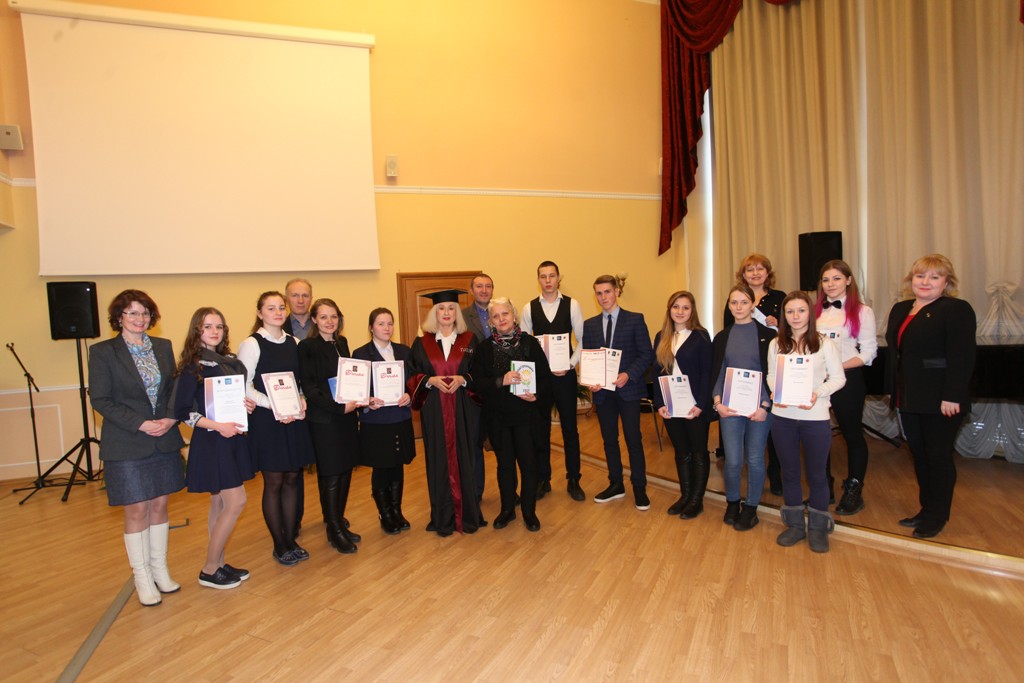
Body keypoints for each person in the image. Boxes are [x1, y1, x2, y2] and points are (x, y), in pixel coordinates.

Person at [88, 290, 185, 606]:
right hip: (127, 441)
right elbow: (100, 399)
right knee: (137, 509)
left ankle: (160, 569)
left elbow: (173, 390)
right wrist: (141, 423)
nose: (139, 319)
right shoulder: (103, 352)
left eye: (144, 313)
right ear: (119, 317)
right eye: (132, 313)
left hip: (164, 437)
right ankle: (142, 576)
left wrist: (170, 418)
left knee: (160, 506)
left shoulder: (163, 346)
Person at [885, 254, 976, 539]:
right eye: (920, 276)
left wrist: (953, 395)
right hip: (909, 397)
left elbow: (962, 356)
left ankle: (938, 516)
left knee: (938, 457)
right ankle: (926, 509)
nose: (925, 282)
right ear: (911, 280)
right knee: (920, 456)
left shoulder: (956, 309)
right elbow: (898, 354)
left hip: (941, 399)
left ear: (946, 282)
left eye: (934, 277)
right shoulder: (901, 309)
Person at [173, 307, 254, 589]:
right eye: (207, 326)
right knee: (236, 501)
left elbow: (232, 400)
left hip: (232, 438)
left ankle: (218, 562)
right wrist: (218, 426)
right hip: (212, 441)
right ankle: (209, 569)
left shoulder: (230, 362)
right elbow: (184, 412)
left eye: (219, 326)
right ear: (197, 331)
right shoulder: (191, 366)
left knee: (218, 502)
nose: (214, 331)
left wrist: (246, 405)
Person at [237, 291, 316, 565]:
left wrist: (302, 399)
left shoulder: (295, 342)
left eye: (281, 307)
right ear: (260, 313)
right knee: (274, 482)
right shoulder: (251, 344)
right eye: (270, 308)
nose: (278, 312)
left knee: (292, 478)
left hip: (293, 420)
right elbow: (244, 385)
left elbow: (300, 382)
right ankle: (279, 545)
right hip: (268, 422)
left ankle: (291, 539)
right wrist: (274, 406)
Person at [767, 291, 846, 552]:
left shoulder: (824, 344)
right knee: (789, 472)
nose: (796, 316)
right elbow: (770, 374)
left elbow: (839, 378)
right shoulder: (776, 344)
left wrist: (817, 393)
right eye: (790, 311)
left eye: (801, 310)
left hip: (815, 417)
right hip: (783, 418)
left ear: (810, 313)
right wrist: (775, 390)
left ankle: (818, 528)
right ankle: (795, 526)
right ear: (784, 315)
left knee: (817, 474)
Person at [408, 289, 485, 536]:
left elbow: (480, 373)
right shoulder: (422, 343)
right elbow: (412, 374)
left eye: (451, 308)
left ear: (457, 312)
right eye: (441, 308)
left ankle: (468, 514)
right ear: (434, 312)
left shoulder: (470, 340)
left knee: (466, 457)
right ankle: (442, 517)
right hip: (434, 409)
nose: (446, 312)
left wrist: (464, 379)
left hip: (463, 408)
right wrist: (429, 380)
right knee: (438, 458)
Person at [471, 297, 551, 531]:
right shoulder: (484, 348)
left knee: (529, 465)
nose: (501, 319)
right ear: (491, 322)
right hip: (499, 418)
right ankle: (507, 509)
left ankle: (529, 511)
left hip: (527, 416)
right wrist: (501, 380)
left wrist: (536, 394)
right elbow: (477, 382)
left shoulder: (530, 343)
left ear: (514, 316)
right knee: (505, 466)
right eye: (495, 316)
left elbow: (545, 378)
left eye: (505, 314)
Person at [581, 274, 654, 511]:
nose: (603, 297)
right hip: (603, 393)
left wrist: (628, 374)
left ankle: (639, 487)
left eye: (607, 292)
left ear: (616, 292)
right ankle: (616, 484)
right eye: (599, 293)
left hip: (627, 390)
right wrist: (591, 381)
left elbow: (647, 354)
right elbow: (590, 357)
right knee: (609, 440)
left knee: (633, 439)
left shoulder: (635, 319)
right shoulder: (590, 325)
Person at [297, 298, 363, 553]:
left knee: (345, 471)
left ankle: (339, 521)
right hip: (325, 419)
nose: (329, 321)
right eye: (323, 317)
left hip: (346, 417)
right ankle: (333, 528)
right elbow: (310, 387)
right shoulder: (307, 347)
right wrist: (338, 407)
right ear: (314, 319)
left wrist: (356, 400)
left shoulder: (342, 343)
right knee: (332, 473)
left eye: (333, 316)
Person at [711, 284, 777, 531]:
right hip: (729, 408)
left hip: (759, 408)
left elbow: (773, 374)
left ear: (752, 305)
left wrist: (766, 405)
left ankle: (750, 508)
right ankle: (732, 503)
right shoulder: (722, 337)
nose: (738, 307)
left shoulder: (769, 336)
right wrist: (717, 402)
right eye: (734, 302)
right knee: (733, 460)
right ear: (729, 306)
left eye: (744, 302)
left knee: (755, 458)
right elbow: (718, 372)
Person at [815, 260, 878, 515]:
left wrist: (837, 369)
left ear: (848, 280)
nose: (830, 284)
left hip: (847, 380)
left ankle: (854, 491)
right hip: (817, 381)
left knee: (852, 435)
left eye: (836, 279)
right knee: (819, 435)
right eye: (826, 280)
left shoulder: (863, 312)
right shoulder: (814, 311)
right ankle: (824, 489)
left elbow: (869, 353)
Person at [520, 260, 586, 502]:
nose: (547, 280)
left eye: (551, 276)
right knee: (540, 429)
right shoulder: (529, 308)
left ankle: (574, 479)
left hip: (564, 376)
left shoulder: (572, 305)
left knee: (570, 429)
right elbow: (524, 344)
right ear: (538, 279)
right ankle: (543, 479)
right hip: (540, 378)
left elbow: (583, 339)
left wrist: (570, 364)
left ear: (559, 278)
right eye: (543, 276)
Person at [722, 253, 787, 495]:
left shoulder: (779, 298)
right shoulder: (733, 303)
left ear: (768, 273)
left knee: (766, 445)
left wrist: (777, 326)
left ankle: (773, 480)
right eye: (750, 269)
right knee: (737, 455)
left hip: (766, 382)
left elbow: (789, 333)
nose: (755, 273)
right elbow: (728, 341)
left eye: (760, 269)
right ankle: (736, 496)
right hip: (737, 386)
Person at [352, 308, 416, 534]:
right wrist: (366, 400)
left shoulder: (404, 351)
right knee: (381, 467)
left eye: (390, 323)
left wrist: (410, 394)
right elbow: (355, 389)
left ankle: (397, 511)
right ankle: (385, 513)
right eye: (381, 323)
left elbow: (413, 381)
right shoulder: (360, 354)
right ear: (371, 327)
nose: (386, 328)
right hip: (376, 420)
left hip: (399, 416)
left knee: (397, 465)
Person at [652, 291, 713, 520]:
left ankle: (697, 500)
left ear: (692, 311)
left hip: (694, 406)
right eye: (676, 306)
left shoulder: (701, 336)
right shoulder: (661, 336)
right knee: (681, 451)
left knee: (698, 452)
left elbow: (707, 373)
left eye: (685, 307)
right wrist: (659, 403)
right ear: (669, 309)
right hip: (670, 405)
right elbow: (657, 372)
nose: (680, 311)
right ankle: (685, 496)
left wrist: (701, 404)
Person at [284, 278, 313, 532]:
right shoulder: (275, 325)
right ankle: (294, 517)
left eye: (305, 295)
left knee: (326, 461)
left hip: (319, 403)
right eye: (295, 295)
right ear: (287, 299)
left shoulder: (323, 322)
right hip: (291, 405)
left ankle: (332, 516)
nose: (300, 300)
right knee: (294, 467)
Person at [461, 273, 494, 503]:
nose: (484, 290)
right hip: (474, 388)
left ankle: (509, 490)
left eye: (488, 286)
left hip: (501, 387)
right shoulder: (462, 317)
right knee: (475, 442)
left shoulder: (501, 312)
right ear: (472, 290)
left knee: (503, 441)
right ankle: (475, 491)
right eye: (479, 286)